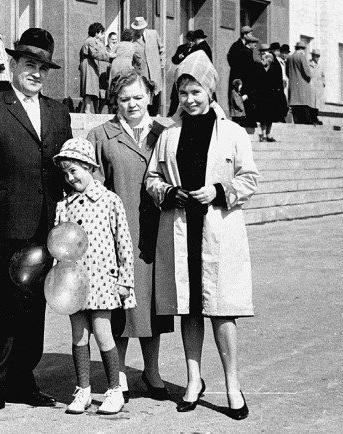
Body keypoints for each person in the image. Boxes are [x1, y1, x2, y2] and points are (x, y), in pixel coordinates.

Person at [0, 27, 73, 418]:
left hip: (44, 228)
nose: (36, 73)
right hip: (1, 229)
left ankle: (23, 381)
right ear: (13, 65)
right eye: (29, 64)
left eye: (43, 67)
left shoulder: (58, 112)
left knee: (32, 308)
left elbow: (65, 169)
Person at [145, 50, 259, 421]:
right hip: (181, 230)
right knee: (190, 309)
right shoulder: (168, 134)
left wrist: (219, 191)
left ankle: (232, 385)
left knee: (222, 311)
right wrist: (168, 192)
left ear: (210, 91)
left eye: (196, 92)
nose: (190, 99)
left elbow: (250, 178)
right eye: (183, 93)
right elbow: (152, 178)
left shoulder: (233, 132)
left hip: (218, 229)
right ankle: (194, 381)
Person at [88, 69, 174, 404]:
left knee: (153, 305)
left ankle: (152, 371)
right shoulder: (101, 135)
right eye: (124, 99)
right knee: (119, 305)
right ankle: (119, 374)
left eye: (138, 97)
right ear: (115, 101)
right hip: (115, 236)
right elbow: (92, 187)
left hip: (157, 232)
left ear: (150, 96)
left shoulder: (166, 133)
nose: (132, 104)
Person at [53, 137, 135, 415]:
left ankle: (115, 390)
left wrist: (125, 279)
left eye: (74, 170)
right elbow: (58, 243)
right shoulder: (64, 205)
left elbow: (123, 242)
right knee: (79, 335)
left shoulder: (109, 200)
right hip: (73, 283)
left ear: (90, 167)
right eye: (65, 173)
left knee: (102, 332)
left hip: (102, 280)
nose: (70, 177)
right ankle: (83, 390)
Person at [131, 17, 165, 116]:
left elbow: (162, 48)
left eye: (139, 29)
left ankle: (155, 113)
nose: (138, 31)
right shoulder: (133, 39)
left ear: (144, 28)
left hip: (155, 68)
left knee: (156, 90)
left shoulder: (153, 34)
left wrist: (162, 63)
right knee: (145, 90)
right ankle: (146, 113)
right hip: (143, 69)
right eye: (136, 29)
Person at [79, 22, 115, 114]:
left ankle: (86, 109)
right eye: (101, 33)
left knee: (92, 87)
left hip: (91, 64)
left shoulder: (92, 41)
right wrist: (109, 56)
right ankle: (87, 109)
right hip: (88, 64)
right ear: (96, 32)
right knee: (89, 87)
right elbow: (95, 54)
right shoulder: (91, 41)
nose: (102, 35)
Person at [255, 44, 287, 141]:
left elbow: (278, 77)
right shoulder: (258, 63)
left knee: (271, 114)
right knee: (263, 114)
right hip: (262, 92)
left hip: (272, 93)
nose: (264, 53)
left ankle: (268, 134)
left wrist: (279, 90)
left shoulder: (274, 63)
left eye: (266, 51)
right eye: (262, 51)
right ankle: (264, 134)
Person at [227, 26, 254, 114]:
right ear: (245, 35)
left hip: (245, 77)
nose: (251, 36)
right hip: (238, 77)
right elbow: (231, 60)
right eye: (250, 34)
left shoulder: (248, 46)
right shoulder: (236, 46)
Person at [168, 31, 195, 116]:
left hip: (191, 75)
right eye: (189, 40)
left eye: (192, 40)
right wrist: (179, 57)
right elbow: (174, 60)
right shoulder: (181, 48)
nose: (190, 42)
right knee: (175, 95)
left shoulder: (197, 49)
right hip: (181, 74)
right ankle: (171, 113)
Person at [287, 41, 313, 124]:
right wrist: (309, 77)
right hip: (302, 84)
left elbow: (287, 72)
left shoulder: (290, 57)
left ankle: (297, 121)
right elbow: (307, 72)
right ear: (302, 49)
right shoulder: (301, 57)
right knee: (303, 105)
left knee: (295, 107)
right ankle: (306, 121)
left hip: (293, 84)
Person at [309, 48, 325, 125]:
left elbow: (323, 75)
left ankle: (315, 117)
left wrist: (323, 83)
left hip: (318, 87)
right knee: (311, 103)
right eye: (316, 56)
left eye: (318, 56)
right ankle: (311, 118)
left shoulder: (320, 66)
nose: (317, 58)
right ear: (312, 56)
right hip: (311, 86)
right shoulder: (309, 64)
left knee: (317, 104)